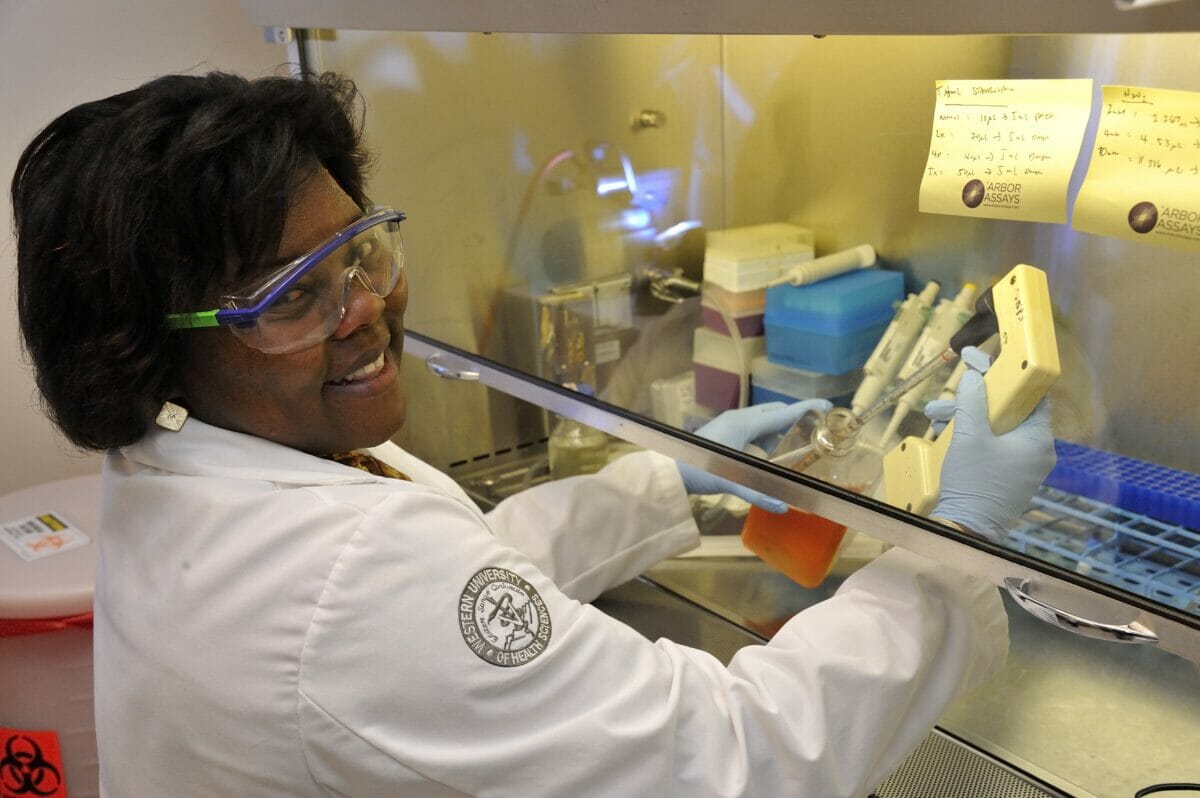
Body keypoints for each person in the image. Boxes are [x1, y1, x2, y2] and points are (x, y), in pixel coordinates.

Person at [12, 71, 1055, 798]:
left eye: (360, 253)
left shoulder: (189, 461)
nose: (363, 309)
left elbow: (452, 577)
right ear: (152, 351)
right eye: (294, 297)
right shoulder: (340, 577)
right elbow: (737, 761)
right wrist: (952, 544)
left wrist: (681, 486)